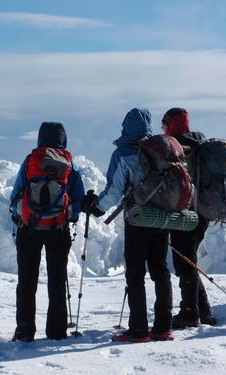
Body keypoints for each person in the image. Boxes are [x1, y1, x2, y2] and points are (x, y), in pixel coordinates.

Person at [82, 108, 173, 343]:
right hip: (162, 218)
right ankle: (163, 327)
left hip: (137, 218)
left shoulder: (123, 153)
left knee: (135, 273)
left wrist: (97, 209)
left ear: (126, 127)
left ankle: (139, 330)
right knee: (160, 271)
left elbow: (113, 190)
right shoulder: (163, 149)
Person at [9, 122, 85, 342]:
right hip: (58, 229)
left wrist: (20, 217)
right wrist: (70, 217)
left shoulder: (31, 161)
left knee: (27, 281)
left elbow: (15, 196)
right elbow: (77, 198)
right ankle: (57, 331)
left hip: (29, 228)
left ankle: (24, 331)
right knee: (57, 280)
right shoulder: (69, 163)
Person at [161, 107, 217, 328]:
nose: (163, 129)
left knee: (184, 263)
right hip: (204, 211)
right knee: (189, 260)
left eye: (165, 124)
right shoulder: (200, 143)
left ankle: (189, 313)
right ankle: (204, 311)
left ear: (171, 124)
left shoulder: (175, 146)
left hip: (185, 213)